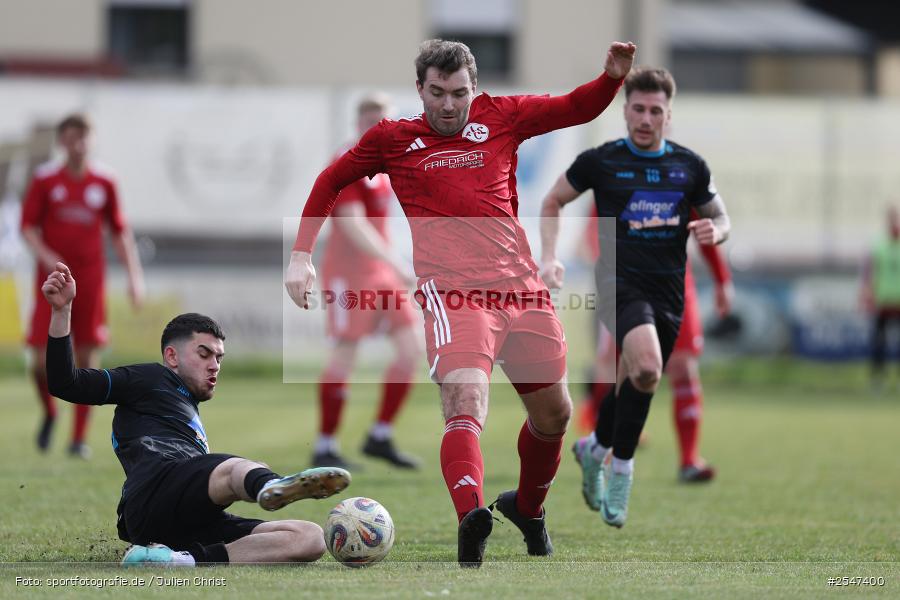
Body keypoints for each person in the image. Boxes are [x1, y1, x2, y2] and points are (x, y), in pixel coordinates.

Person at [286, 39, 636, 566]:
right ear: (420, 89)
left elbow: (575, 107)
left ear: (474, 88)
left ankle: (528, 509)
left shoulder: (503, 115)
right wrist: (300, 256)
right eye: (437, 93)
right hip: (454, 295)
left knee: (556, 415)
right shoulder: (393, 139)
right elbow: (330, 181)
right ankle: (471, 518)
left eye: (459, 93)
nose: (449, 105)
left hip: (523, 290)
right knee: (466, 401)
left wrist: (610, 78)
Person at [41, 263, 351, 566]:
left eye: (219, 357)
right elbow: (65, 383)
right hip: (155, 492)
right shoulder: (147, 378)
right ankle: (270, 485)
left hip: (189, 516)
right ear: (171, 356)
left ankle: (181, 559)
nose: (215, 364)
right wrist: (62, 312)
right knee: (237, 469)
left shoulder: (188, 408)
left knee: (308, 538)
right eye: (204, 354)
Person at [540, 67, 730, 528]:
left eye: (656, 110)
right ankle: (621, 470)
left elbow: (721, 217)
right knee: (646, 367)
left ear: (669, 115)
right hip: (619, 286)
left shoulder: (689, 166)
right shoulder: (602, 161)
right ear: (625, 111)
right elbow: (552, 202)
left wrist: (716, 230)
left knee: (639, 381)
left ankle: (595, 447)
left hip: (669, 291)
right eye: (638, 109)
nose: (646, 118)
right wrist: (549, 257)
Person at [575, 205, 734, 482]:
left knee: (683, 366)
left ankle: (689, 461)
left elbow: (705, 229)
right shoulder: (610, 169)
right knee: (614, 365)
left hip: (675, 286)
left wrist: (722, 279)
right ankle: (603, 445)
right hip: (623, 284)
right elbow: (591, 233)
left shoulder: (684, 172)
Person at [20, 113, 145, 458]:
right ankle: (49, 411)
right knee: (38, 362)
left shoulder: (104, 182)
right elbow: (28, 227)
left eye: (84, 137)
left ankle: (78, 439)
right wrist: (46, 256)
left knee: (87, 357)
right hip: (52, 282)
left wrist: (135, 278)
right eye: (72, 138)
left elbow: (121, 232)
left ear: (92, 140)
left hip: (90, 281)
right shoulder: (46, 180)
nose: (78, 145)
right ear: (62, 142)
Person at [313, 94, 422, 470]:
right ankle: (324, 446)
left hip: (381, 271)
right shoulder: (348, 163)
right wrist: (397, 261)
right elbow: (353, 224)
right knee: (346, 352)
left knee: (410, 349)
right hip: (349, 273)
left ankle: (380, 436)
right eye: (371, 122)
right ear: (358, 124)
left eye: (384, 123)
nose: (377, 129)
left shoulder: (387, 164)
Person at [861, 206, 900, 390]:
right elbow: (870, 272)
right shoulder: (879, 245)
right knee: (879, 343)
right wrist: (867, 293)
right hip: (883, 302)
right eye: (893, 219)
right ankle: (878, 380)